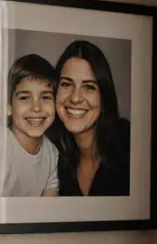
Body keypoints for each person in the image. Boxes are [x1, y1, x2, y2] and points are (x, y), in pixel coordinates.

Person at [50, 40, 130, 196]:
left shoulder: (131, 145)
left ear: (104, 97)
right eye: (66, 84)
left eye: (89, 87)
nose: (75, 98)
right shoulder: (51, 159)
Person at [2, 54, 60, 197]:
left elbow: (49, 207)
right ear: (8, 106)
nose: (36, 108)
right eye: (25, 98)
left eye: (45, 97)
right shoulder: (0, 149)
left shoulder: (51, 152)